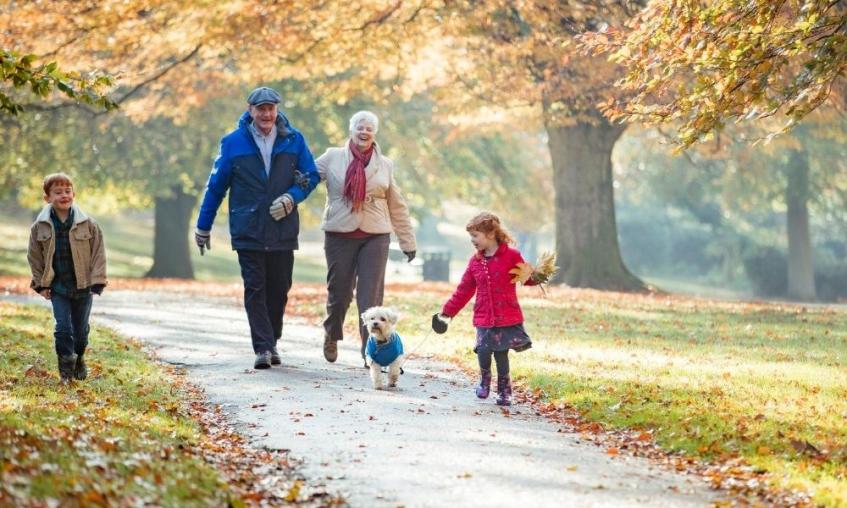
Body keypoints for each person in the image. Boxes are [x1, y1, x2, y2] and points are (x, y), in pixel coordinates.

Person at [195, 86, 320, 370]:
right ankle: (262, 347)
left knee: (280, 288)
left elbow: (311, 176)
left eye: (270, 109)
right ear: (250, 110)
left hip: (282, 227)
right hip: (247, 227)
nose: (266, 114)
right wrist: (203, 227)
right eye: (260, 109)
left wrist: (292, 198)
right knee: (255, 287)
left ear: (276, 110)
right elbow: (215, 187)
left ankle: (271, 338)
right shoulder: (233, 143)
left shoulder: (294, 140)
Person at [316, 111, 416, 366]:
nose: (364, 131)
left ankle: (369, 351)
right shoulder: (332, 157)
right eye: (360, 127)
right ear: (351, 130)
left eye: (369, 128)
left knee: (370, 296)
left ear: (375, 133)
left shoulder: (386, 164)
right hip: (339, 233)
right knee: (339, 292)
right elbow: (303, 178)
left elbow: (397, 205)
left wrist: (407, 241)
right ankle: (331, 333)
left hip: (376, 235)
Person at [437, 212, 537, 406]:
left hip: (505, 315)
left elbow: (525, 278)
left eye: (475, 236)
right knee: (483, 350)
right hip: (483, 315)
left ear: (491, 233)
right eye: (471, 237)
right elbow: (464, 290)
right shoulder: (475, 262)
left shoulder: (511, 256)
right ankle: (484, 381)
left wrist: (537, 276)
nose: (472, 241)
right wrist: (447, 312)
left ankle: (504, 389)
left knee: (501, 353)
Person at [28, 172, 107, 382]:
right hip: (58, 287)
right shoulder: (40, 227)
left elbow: (99, 253)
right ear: (47, 198)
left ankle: (79, 355)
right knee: (62, 328)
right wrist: (40, 284)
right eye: (58, 192)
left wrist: (98, 280)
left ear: (74, 193)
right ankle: (65, 372)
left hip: (83, 286)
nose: (64, 195)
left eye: (67, 191)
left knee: (80, 333)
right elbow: (34, 257)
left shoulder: (88, 224)